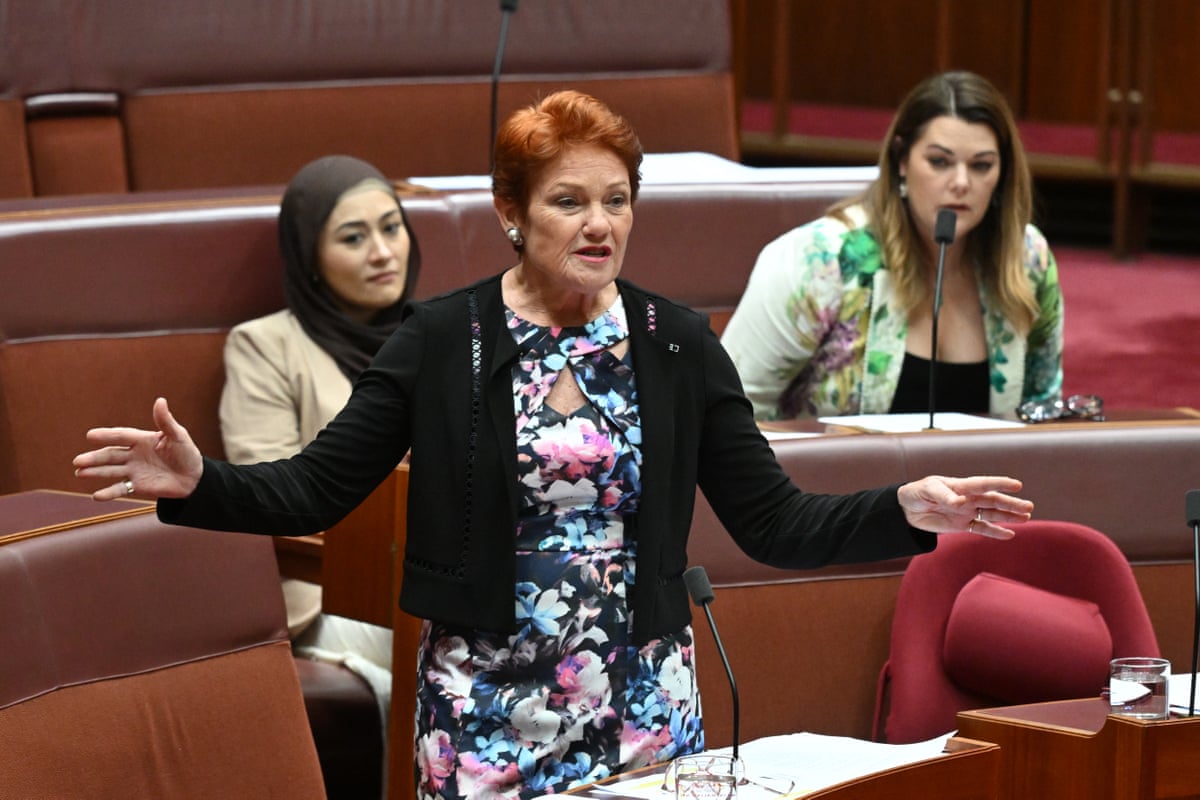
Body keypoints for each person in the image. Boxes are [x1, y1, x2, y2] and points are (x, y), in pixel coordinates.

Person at [75, 90, 1034, 799]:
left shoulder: (674, 343)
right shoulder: (441, 340)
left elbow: (774, 521)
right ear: (511, 212)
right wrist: (200, 482)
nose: (601, 225)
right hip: (487, 710)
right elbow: (315, 491)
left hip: (645, 705)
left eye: (618, 200)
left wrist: (904, 507)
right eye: (570, 202)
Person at [218, 154, 422, 746]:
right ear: (310, 256)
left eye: (391, 227)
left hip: (441, 577)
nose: (383, 252)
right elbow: (268, 491)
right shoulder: (265, 347)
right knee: (466, 647)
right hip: (333, 596)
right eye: (353, 238)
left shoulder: (443, 333)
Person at [721, 71, 1064, 421]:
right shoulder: (822, 260)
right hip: (838, 475)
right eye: (940, 162)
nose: (961, 182)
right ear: (901, 160)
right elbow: (729, 408)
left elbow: (1042, 412)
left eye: (981, 166)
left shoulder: (1026, 259)